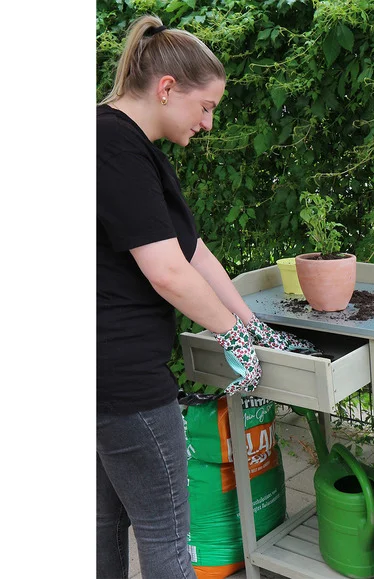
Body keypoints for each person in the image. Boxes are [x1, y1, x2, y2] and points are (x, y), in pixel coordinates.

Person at [97, 15, 314, 579]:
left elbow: (194, 254)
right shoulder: (113, 148)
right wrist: (231, 333)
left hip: (105, 377)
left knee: (104, 527)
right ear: (167, 89)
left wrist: (251, 324)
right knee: (167, 542)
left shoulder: (134, 149)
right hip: (126, 384)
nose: (209, 123)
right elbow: (167, 273)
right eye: (206, 106)